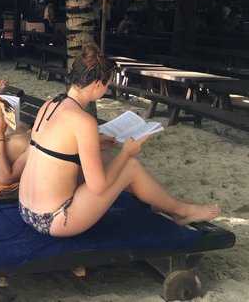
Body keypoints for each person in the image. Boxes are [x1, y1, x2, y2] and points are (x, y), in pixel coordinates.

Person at [17, 44, 221, 238]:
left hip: (26, 210)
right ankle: (182, 211)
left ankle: (165, 202)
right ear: (98, 84)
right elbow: (98, 186)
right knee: (129, 166)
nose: (106, 89)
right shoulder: (83, 121)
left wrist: (96, 143)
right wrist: (126, 152)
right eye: (107, 84)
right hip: (54, 219)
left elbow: (54, 149)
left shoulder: (50, 105)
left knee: (104, 156)